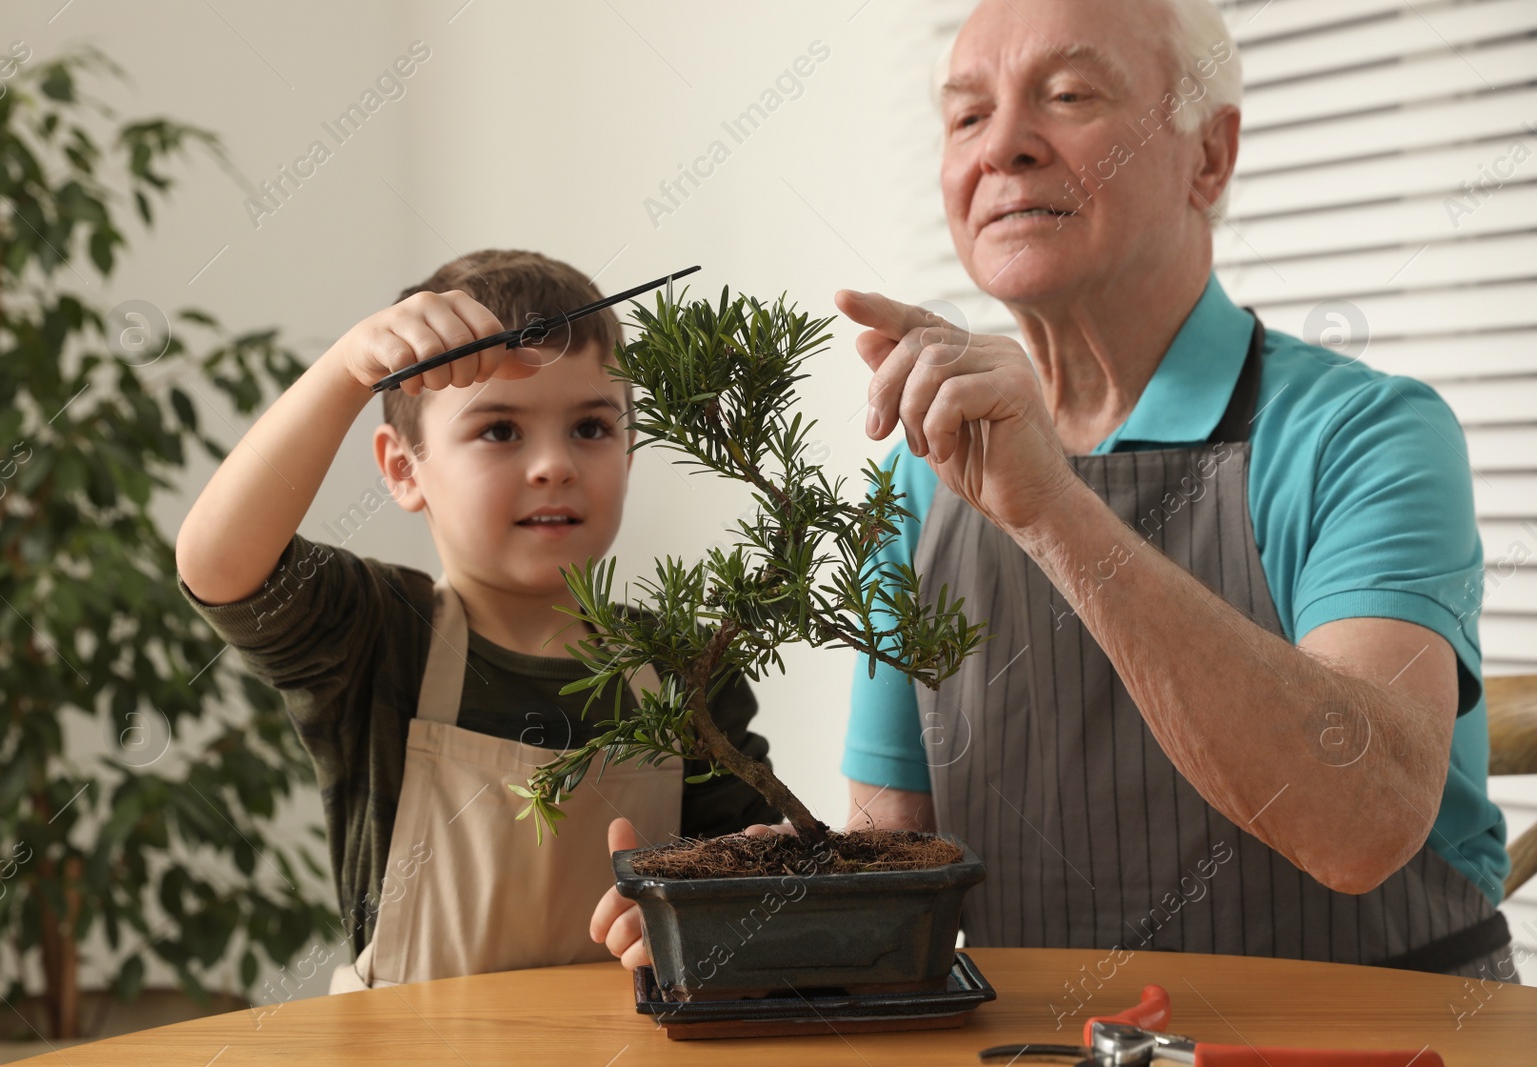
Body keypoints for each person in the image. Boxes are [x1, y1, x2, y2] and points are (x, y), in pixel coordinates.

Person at [595, 0, 1516, 983]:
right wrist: (739, 918)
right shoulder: (919, 468)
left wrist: (1053, 509)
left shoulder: (1362, 435)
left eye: (1068, 94)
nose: (1002, 148)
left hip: (1373, 1046)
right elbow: (891, 840)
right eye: (964, 116)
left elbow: (1359, 823)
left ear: (1209, 155)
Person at [175, 249, 779, 992]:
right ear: (403, 468)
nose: (554, 464)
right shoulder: (378, 636)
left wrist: (713, 907)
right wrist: (345, 370)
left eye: (591, 426)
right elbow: (219, 564)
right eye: (500, 431)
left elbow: (756, 880)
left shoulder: (688, 663)